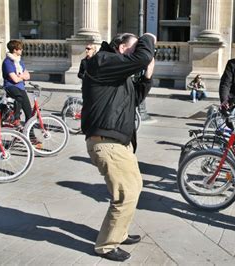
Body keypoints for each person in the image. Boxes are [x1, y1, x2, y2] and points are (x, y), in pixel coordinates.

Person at [81, 32, 156, 262]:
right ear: (122, 47)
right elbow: (141, 57)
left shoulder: (118, 74)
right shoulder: (103, 61)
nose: (138, 54)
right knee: (126, 194)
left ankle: (119, 233)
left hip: (119, 143)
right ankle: (105, 245)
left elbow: (136, 98)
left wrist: (147, 73)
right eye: (135, 49)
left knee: (134, 188)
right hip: (106, 142)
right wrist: (148, 38)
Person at [2, 40, 32, 126]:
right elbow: (15, 80)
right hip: (11, 87)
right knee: (19, 97)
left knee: (29, 114)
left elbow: (28, 76)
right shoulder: (7, 62)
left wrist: (20, 76)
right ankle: (16, 118)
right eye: (20, 48)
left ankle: (30, 136)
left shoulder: (20, 62)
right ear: (15, 50)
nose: (22, 50)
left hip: (21, 88)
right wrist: (22, 76)